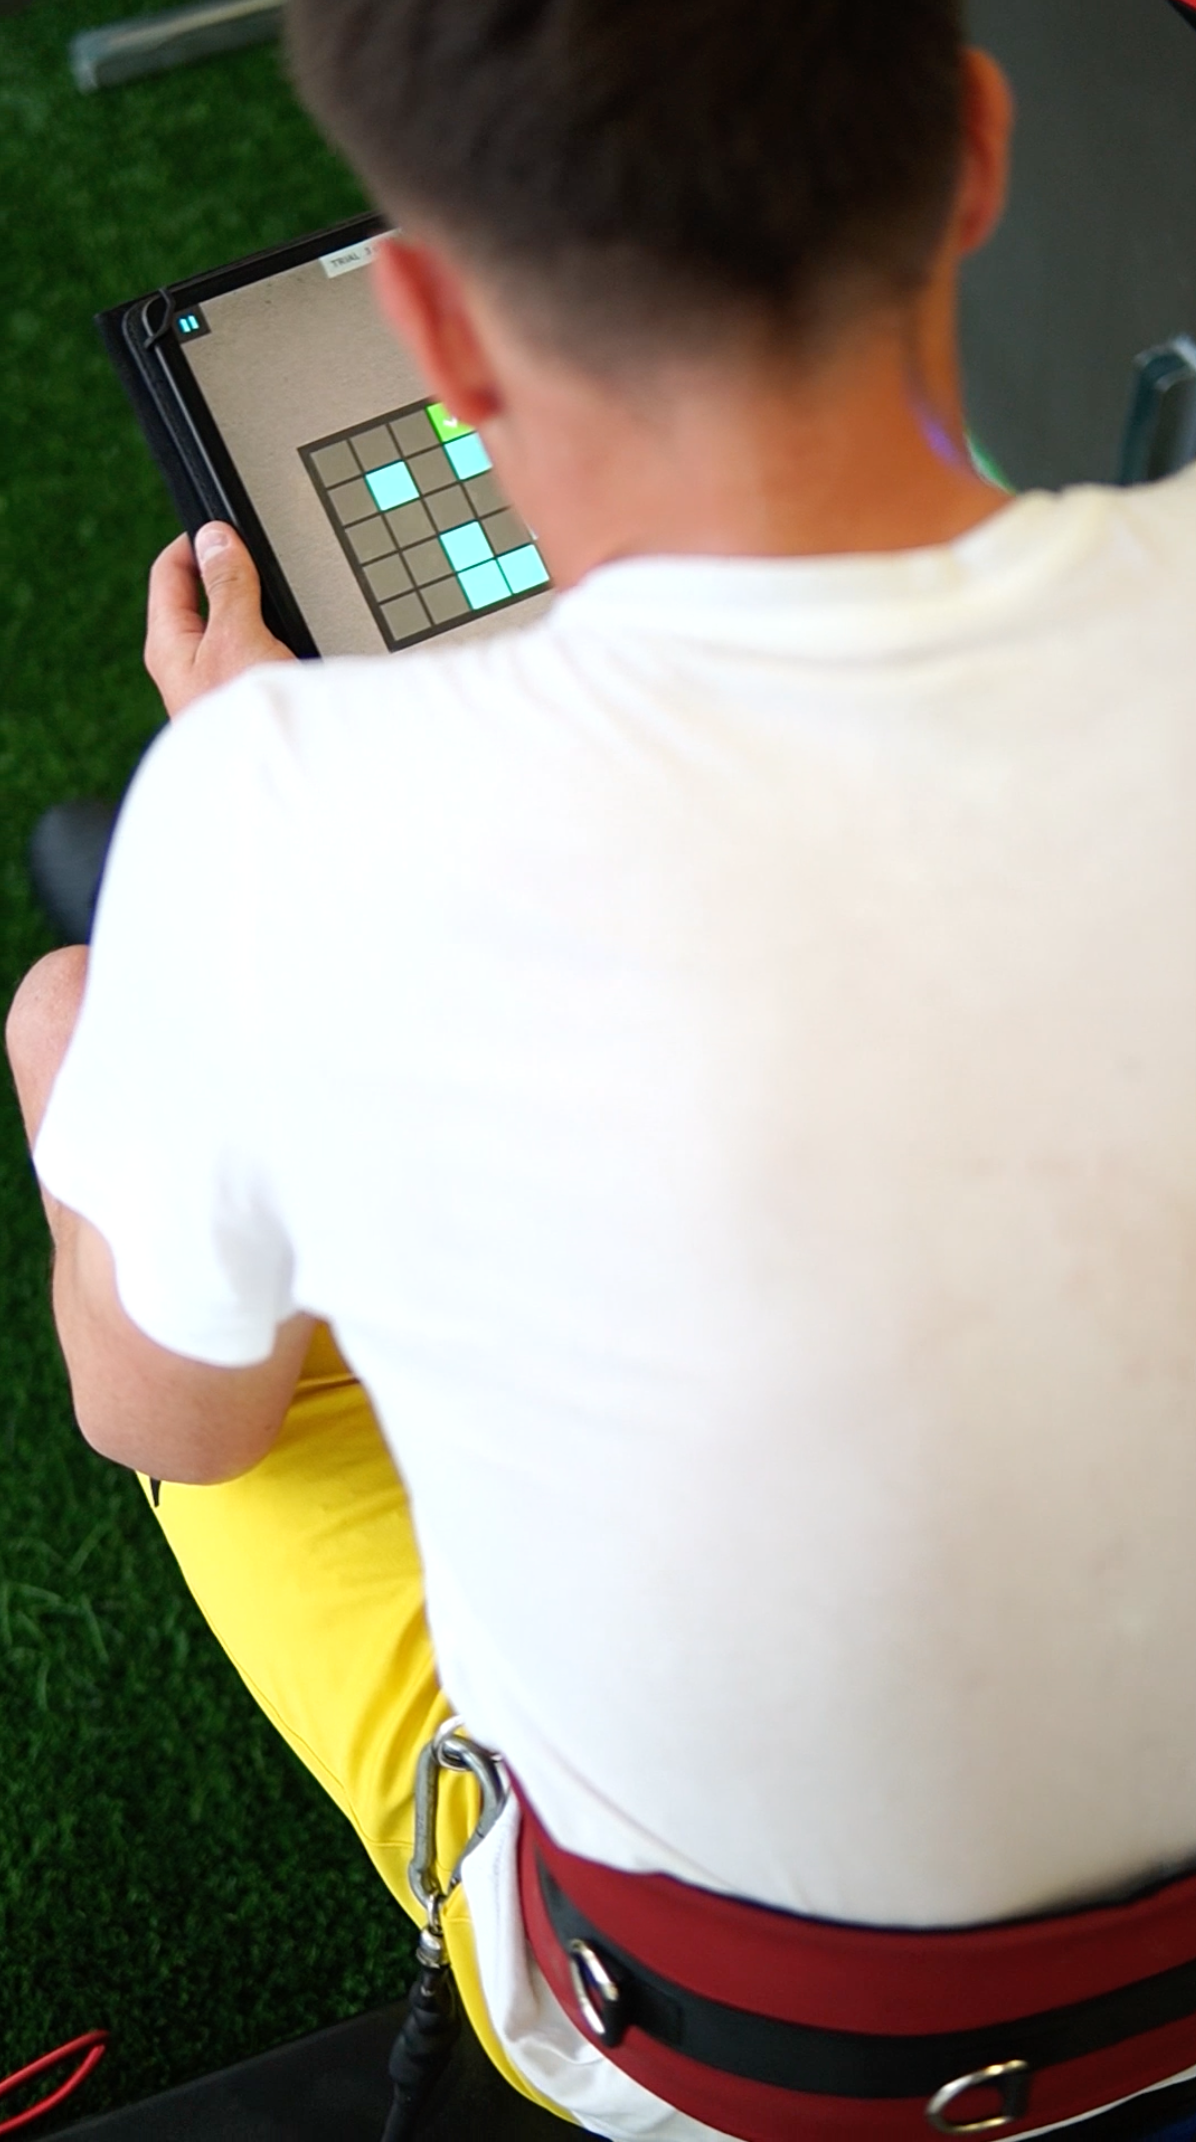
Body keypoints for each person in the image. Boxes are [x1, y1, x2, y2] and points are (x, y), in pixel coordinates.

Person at [9, 3, 1196, 2136]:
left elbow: (168, 1417)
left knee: (71, 1036)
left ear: (436, 322)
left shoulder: (283, 815)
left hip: (745, 2055)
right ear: (978, 147)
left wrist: (246, 802)